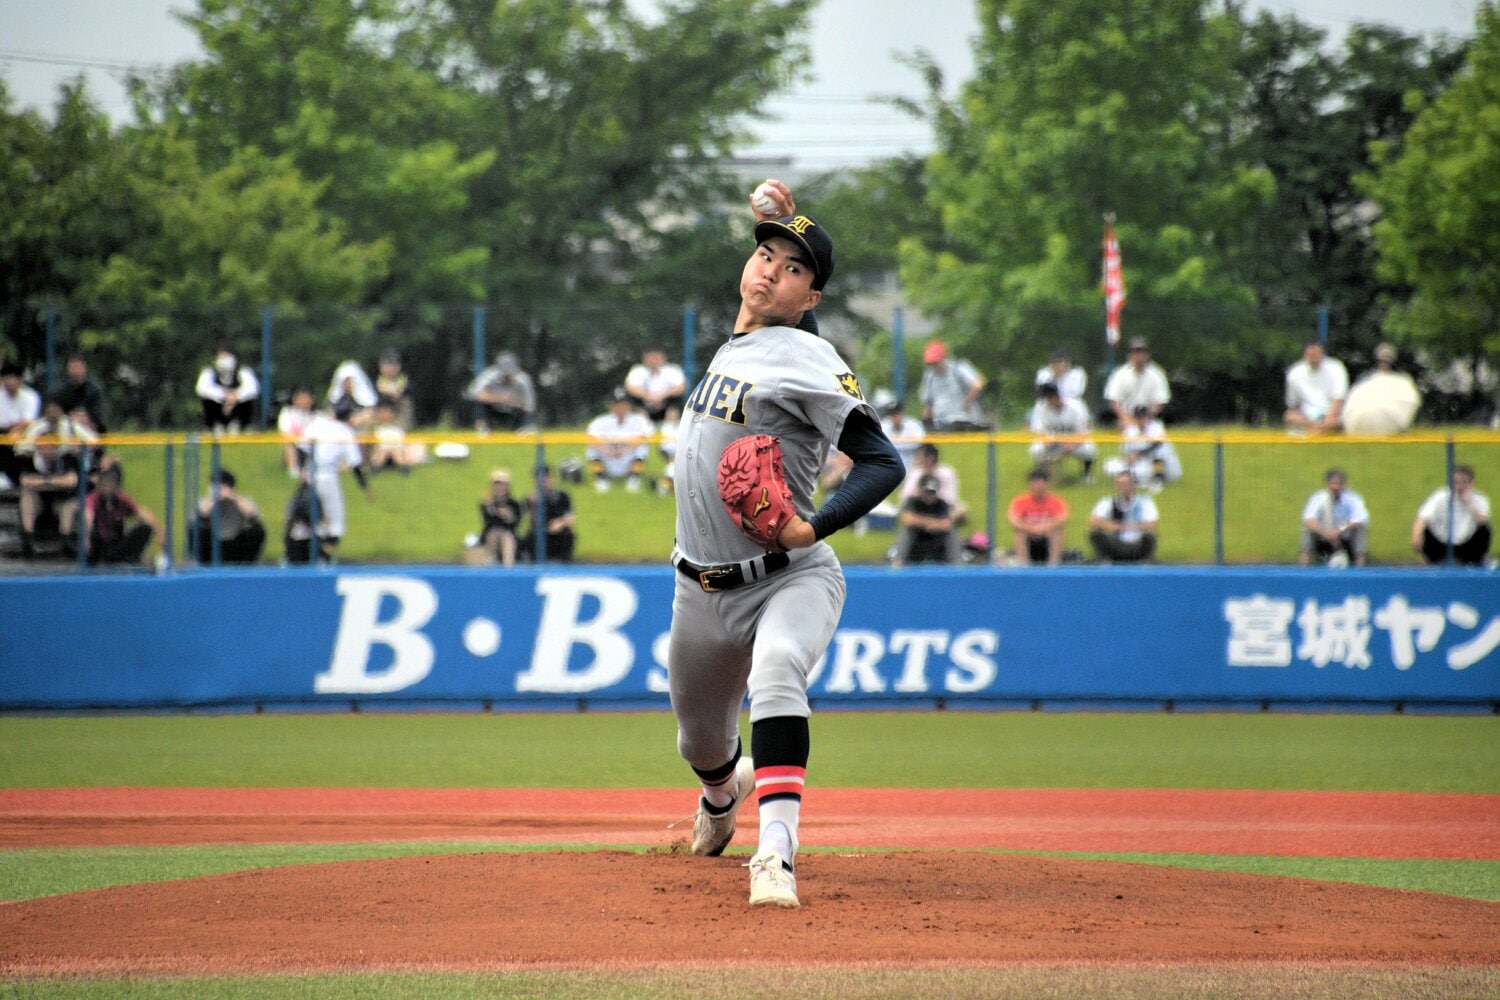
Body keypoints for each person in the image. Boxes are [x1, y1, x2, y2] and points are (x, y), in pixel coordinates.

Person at [666, 189, 903, 910]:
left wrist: (813, 526)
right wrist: (780, 219)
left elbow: (883, 462)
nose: (770, 271)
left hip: (788, 577)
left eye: (793, 268)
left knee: (776, 672)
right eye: (764, 255)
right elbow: (778, 307)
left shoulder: (806, 356)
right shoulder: (745, 343)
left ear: (813, 296)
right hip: (699, 588)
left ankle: (776, 854)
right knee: (699, 743)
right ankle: (720, 797)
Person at [15, 398, 98, 557]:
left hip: (59, 500)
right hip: (41, 501)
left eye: (51, 446)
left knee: (68, 505)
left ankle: (65, 542)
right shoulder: (32, 458)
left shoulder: (65, 457)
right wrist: (52, 482)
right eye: (44, 446)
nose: (47, 450)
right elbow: (25, 481)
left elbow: (70, 481)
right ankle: (28, 541)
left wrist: (44, 482)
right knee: (27, 498)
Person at [294, 401, 372, 564]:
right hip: (328, 477)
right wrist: (365, 487)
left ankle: (293, 557)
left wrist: (301, 469)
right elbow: (355, 464)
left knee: (305, 519)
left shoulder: (318, 423)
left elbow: (300, 447)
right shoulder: (346, 431)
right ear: (349, 416)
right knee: (335, 524)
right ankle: (325, 558)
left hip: (309, 475)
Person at [1411, 464, 1491, 567]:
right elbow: (1422, 517)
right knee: (1426, 530)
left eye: (1464, 482)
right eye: (1456, 482)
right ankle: (1433, 562)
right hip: (1441, 543)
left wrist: (1469, 503)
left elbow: (1482, 521)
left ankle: (1476, 560)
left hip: (1466, 544)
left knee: (1485, 529)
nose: (1459, 486)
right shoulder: (1440, 497)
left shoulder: (1480, 500)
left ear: (1472, 483)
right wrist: (1416, 537)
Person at [83, 463, 160, 566]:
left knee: (145, 528)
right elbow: (88, 516)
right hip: (99, 544)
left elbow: (142, 512)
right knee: (92, 538)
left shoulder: (121, 498)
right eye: (104, 485)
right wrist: (86, 538)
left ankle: (131, 560)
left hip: (115, 542)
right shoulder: (93, 499)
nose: (107, 488)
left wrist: (160, 532)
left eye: (110, 485)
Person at [190, 468, 267, 564]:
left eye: (224, 487)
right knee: (195, 529)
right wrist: (210, 505)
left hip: (237, 548)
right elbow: (196, 524)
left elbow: (256, 524)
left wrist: (235, 500)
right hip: (211, 548)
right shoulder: (205, 503)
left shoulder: (242, 502)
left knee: (257, 531)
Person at [585, 388, 654, 492]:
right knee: (592, 450)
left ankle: (634, 479)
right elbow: (591, 439)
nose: (619, 407)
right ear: (610, 405)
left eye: (622, 404)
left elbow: (643, 438)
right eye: (616, 404)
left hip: (628, 458)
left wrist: (625, 451)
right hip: (608, 459)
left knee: (642, 448)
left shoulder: (639, 421)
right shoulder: (600, 421)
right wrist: (607, 451)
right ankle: (601, 479)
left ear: (628, 405)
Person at [1343, 343, 1421, 435]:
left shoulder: (1401, 381)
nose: (1384, 363)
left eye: (1387, 360)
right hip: (1364, 423)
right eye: (1381, 360)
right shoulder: (1366, 381)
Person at [1027, 381, 1096, 483]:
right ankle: (1043, 475)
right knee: (1035, 449)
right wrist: (1047, 443)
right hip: (1053, 442)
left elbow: (1084, 432)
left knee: (1089, 448)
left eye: (1049, 397)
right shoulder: (1041, 407)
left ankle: (1087, 475)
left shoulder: (1076, 406)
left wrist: (1071, 445)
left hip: (1074, 441)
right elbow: (1039, 431)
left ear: (1057, 396)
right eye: (1046, 397)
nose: (1047, 400)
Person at [1299, 467, 1368, 567]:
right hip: (1323, 535)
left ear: (1344, 484)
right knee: (1307, 529)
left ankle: (1360, 566)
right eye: (1333, 483)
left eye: (1339, 484)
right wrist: (1325, 533)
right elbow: (1308, 519)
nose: (1336, 487)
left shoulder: (1353, 498)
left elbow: (1359, 519)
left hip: (1344, 535)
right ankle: (1303, 568)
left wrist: (1339, 531)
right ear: (1326, 484)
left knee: (1361, 527)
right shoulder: (1318, 498)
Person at [1088, 467, 1159, 563]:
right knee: (1095, 533)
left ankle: (1144, 560)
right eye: (1119, 484)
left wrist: (1126, 527)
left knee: (1150, 535)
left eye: (1125, 484)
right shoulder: (1108, 501)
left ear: (1133, 485)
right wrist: (1109, 526)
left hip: (1137, 544)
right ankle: (1105, 560)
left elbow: (1152, 523)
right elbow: (1093, 520)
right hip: (1115, 543)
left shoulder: (1145, 502)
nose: (1122, 487)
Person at [918, 340, 987, 430]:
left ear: (943, 358)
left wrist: (967, 402)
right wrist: (923, 421)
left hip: (963, 418)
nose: (933, 366)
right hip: (940, 420)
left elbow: (977, 384)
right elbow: (928, 403)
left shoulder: (958, 368)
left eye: (935, 363)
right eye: (930, 364)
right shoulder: (929, 376)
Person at [1103, 337, 1170, 430]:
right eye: (1135, 352)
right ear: (1129, 355)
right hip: (1126, 420)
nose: (1139, 356)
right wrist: (1126, 418)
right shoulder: (1120, 374)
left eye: (1142, 352)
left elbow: (1160, 402)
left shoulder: (1156, 375)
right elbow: (1114, 401)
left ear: (1147, 355)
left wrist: (1145, 418)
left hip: (1150, 420)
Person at [1284, 338, 1349, 435]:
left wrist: (1328, 420)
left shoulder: (1336, 368)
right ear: (1305, 354)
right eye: (1311, 354)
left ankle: (1321, 430)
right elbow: (1293, 405)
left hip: (1330, 415)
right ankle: (1317, 430)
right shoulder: (1294, 373)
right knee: (1289, 416)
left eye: (1317, 353)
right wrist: (1310, 423)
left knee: (1338, 420)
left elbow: (1338, 399)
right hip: (1307, 418)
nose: (1314, 356)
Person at [1007, 466, 1069, 566]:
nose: (1038, 487)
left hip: (1047, 535)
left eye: (1041, 483)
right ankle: (1023, 564)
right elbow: (1013, 520)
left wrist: (1044, 528)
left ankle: (1053, 564)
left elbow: (1062, 519)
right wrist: (1031, 529)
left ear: (1047, 484)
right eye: (1035, 483)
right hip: (1029, 536)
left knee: (1057, 531)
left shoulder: (1056, 502)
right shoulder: (1020, 501)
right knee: (1019, 533)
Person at [895, 473, 959, 565]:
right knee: (906, 530)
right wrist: (930, 523)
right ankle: (898, 562)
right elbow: (907, 519)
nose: (929, 496)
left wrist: (924, 523)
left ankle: (958, 565)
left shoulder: (941, 504)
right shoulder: (913, 502)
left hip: (936, 542)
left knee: (951, 532)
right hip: (917, 541)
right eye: (927, 492)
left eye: (932, 493)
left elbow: (947, 524)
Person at [465, 351, 537, 432]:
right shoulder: (489, 375)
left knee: (527, 415)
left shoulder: (523, 380)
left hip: (513, 412)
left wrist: (515, 403)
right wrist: (499, 398)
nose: (507, 375)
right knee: (477, 404)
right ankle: (482, 431)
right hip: (493, 409)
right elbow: (473, 394)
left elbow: (529, 407)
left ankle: (524, 432)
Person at [195, 345, 260, 435]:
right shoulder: (209, 372)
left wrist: (236, 396)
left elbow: (253, 388)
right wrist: (224, 395)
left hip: (237, 409)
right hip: (219, 408)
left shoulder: (243, 371)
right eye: (220, 357)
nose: (223, 360)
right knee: (207, 400)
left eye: (226, 356)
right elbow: (201, 388)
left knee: (248, 400)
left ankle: (239, 425)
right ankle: (215, 425)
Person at [519, 463, 576, 562]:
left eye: (546, 478)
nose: (542, 481)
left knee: (568, 534)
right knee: (530, 538)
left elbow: (571, 518)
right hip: (540, 532)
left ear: (551, 478)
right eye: (539, 478)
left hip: (559, 532)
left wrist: (560, 523)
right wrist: (534, 506)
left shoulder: (562, 496)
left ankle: (564, 561)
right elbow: (531, 523)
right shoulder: (529, 499)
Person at [1119, 405, 1182, 491]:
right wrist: (1129, 457)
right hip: (1142, 463)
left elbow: (1157, 444)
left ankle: (1158, 479)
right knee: (1111, 466)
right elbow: (1126, 451)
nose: (1141, 420)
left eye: (1143, 417)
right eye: (1138, 417)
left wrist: (1138, 454)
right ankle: (1137, 480)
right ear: (1134, 418)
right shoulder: (1130, 431)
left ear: (1148, 417)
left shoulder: (1156, 427)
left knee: (1160, 451)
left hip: (1166, 466)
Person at [0, 361, 42, 487]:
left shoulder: (31, 396)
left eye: (12, 378)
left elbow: (28, 422)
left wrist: (15, 429)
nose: (9, 382)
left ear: (19, 380)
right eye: (6, 378)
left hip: (25, 435)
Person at [623, 346, 687, 425]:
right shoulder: (637, 371)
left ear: (663, 358)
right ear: (644, 358)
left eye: (656, 357)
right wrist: (648, 397)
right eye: (650, 357)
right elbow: (629, 387)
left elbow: (681, 387)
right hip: (644, 404)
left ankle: (670, 432)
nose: (653, 360)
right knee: (635, 406)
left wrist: (661, 397)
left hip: (666, 403)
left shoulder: (672, 370)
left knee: (674, 407)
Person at [475, 468, 523, 567]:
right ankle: (489, 564)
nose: (500, 487)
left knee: (507, 537)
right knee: (494, 534)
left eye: (503, 484)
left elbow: (514, 523)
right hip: (491, 535)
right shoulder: (487, 503)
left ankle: (508, 566)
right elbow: (488, 522)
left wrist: (505, 514)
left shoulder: (514, 504)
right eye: (497, 484)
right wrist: (491, 507)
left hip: (509, 536)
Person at [368, 397, 425, 474]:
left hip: (397, 452)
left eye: (386, 411)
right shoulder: (374, 427)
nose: (383, 414)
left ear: (392, 413)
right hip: (381, 452)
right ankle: (375, 468)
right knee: (383, 452)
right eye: (381, 412)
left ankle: (403, 467)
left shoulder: (398, 427)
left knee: (395, 451)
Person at [55, 354, 108, 435]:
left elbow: (99, 414)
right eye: (72, 368)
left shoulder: (95, 390)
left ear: (84, 369)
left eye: (78, 367)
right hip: (68, 428)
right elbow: (57, 412)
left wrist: (85, 417)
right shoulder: (61, 391)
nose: (75, 372)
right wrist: (71, 417)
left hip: (90, 428)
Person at [276, 386, 317, 476]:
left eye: (306, 398)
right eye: (300, 398)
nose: (303, 401)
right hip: (295, 447)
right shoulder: (288, 413)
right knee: (289, 444)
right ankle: (293, 470)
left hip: (312, 446)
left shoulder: (316, 416)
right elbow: (284, 433)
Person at [326, 359, 378, 428]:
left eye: (349, 381)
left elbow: (369, 415)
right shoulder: (335, 401)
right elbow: (330, 415)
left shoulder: (367, 401)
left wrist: (356, 420)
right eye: (345, 381)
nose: (347, 385)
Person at [374, 348, 415, 430]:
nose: (391, 368)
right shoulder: (375, 382)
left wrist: (397, 393)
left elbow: (409, 391)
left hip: (400, 417)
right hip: (380, 417)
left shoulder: (405, 381)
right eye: (388, 364)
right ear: (381, 366)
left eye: (395, 365)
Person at [879, 400, 926, 469]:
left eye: (897, 413)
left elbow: (924, 448)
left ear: (903, 413)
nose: (894, 417)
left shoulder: (915, 427)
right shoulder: (883, 427)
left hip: (913, 467)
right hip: (890, 467)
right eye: (891, 414)